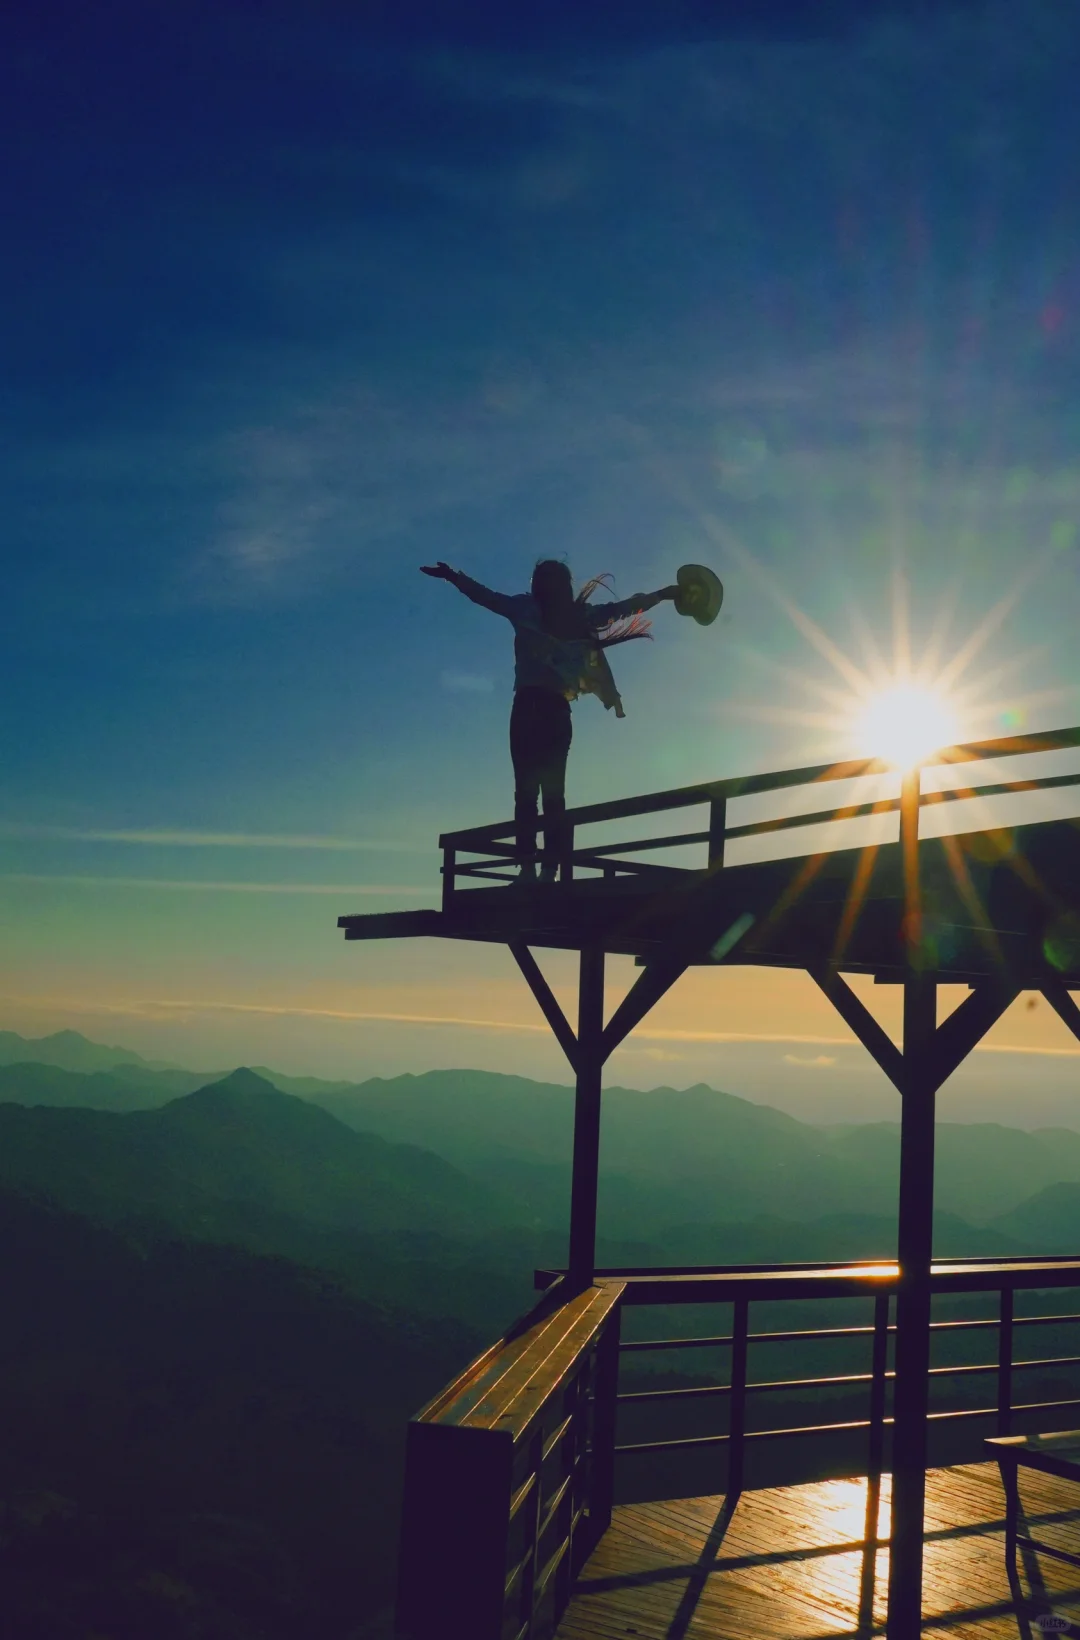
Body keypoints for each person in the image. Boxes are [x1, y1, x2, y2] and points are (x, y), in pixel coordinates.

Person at [421, 558, 679, 882]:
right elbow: (624, 608)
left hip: (530, 706)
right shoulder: (577, 616)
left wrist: (452, 577)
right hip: (555, 709)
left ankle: (533, 866)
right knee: (552, 794)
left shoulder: (529, 610)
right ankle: (545, 867)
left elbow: (486, 596)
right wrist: (664, 594)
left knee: (528, 793)